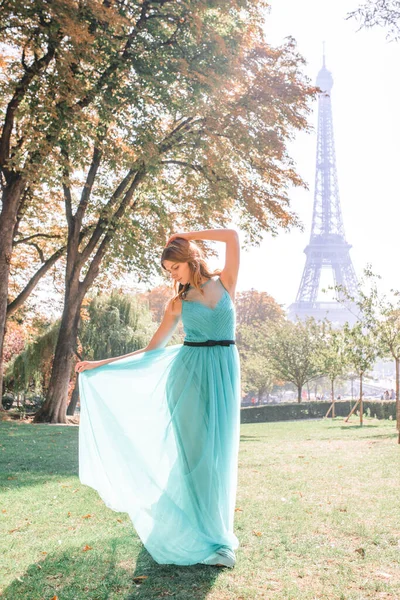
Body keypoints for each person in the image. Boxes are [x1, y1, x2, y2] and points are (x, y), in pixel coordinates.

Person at [75, 228, 241, 569]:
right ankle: (212, 538)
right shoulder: (177, 302)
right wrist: (101, 365)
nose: (172, 275)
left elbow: (232, 236)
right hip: (187, 377)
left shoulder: (225, 282)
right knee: (197, 458)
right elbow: (153, 349)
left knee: (219, 455)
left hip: (223, 373)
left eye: (174, 268)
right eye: (168, 272)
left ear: (190, 259)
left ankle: (212, 534)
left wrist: (188, 233)